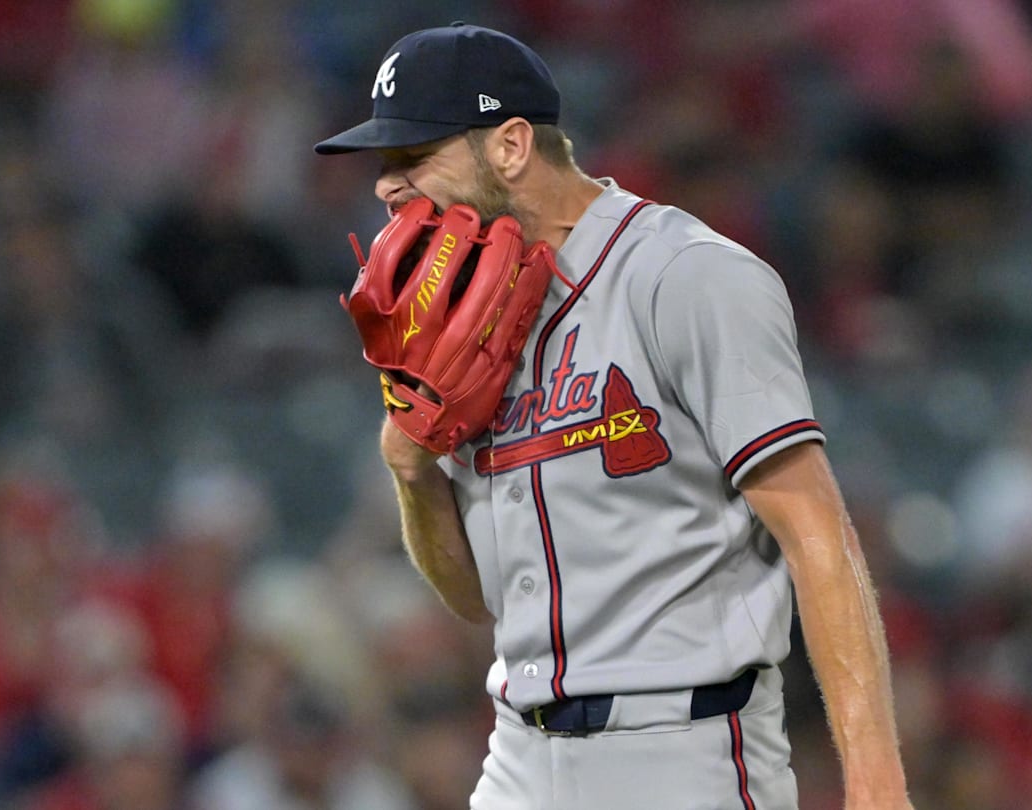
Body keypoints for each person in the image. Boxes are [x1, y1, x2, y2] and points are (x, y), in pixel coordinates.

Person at [314, 22, 912, 810]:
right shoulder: (461, 320)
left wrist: (876, 784)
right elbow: (474, 601)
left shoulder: (686, 277)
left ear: (511, 145)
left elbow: (818, 535)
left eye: (414, 156)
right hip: (518, 755)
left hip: (686, 750)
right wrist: (411, 470)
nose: (389, 186)